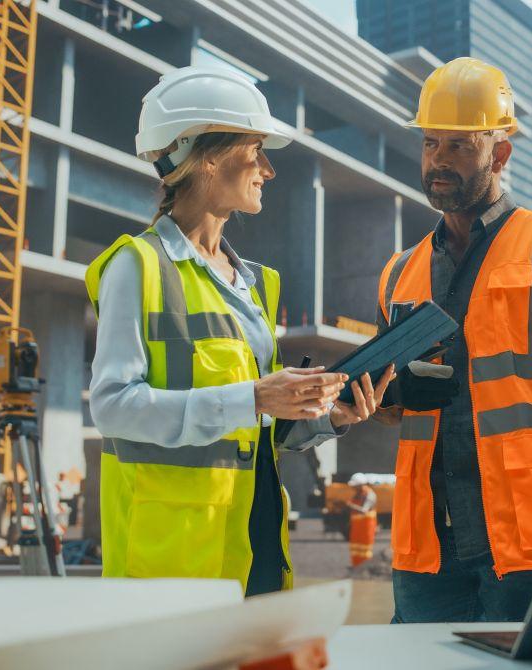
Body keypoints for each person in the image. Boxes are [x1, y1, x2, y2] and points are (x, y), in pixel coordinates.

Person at [86, 66, 394, 596]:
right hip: (173, 556)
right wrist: (253, 396)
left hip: (256, 540)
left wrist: (324, 417)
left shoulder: (255, 284)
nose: (268, 170)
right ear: (207, 156)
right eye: (255, 151)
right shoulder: (137, 266)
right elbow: (112, 406)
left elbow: (253, 432)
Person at [373, 57, 532, 622]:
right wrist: (391, 398)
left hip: (530, 545)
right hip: (426, 551)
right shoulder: (400, 272)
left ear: (500, 153)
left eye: (459, 147)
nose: (439, 161)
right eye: (430, 144)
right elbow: (387, 407)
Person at [345, 474, 378, 568]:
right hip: (357, 527)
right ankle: (356, 566)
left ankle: (365, 566)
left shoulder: (370, 495)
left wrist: (350, 506)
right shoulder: (357, 494)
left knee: (365, 548)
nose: (353, 488)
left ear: (360, 485)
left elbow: (364, 510)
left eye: (355, 486)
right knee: (355, 547)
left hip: (366, 526)